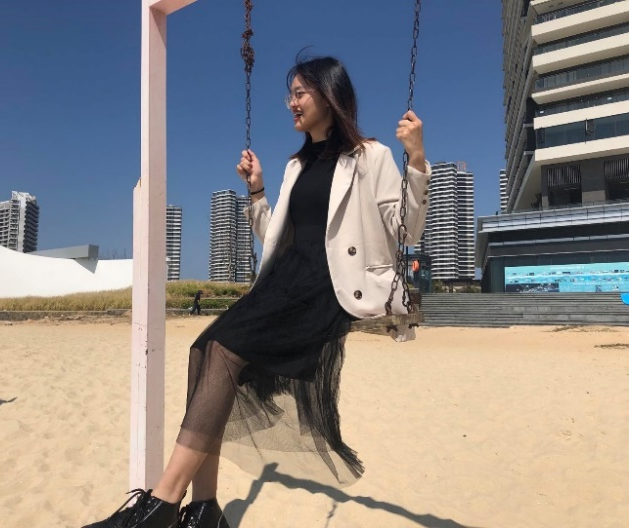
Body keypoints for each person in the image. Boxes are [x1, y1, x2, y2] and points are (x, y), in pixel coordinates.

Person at [82, 54, 430, 528]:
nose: (292, 103)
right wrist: (257, 192)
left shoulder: (371, 156)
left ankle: (162, 503)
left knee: (224, 351)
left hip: (328, 287)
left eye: (300, 93)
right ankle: (204, 509)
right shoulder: (296, 165)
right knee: (203, 348)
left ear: (329, 94)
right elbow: (275, 239)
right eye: (291, 95)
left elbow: (407, 228)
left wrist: (416, 159)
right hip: (285, 280)